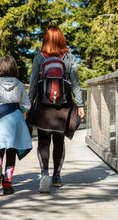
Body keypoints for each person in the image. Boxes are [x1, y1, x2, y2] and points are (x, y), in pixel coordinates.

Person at [27, 25, 85, 193]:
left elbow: (32, 84)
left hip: (44, 107)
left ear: (45, 39)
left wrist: (29, 105)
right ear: (61, 39)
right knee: (59, 140)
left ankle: (44, 173)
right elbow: (76, 84)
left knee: (44, 140)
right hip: (63, 106)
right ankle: (57, 177)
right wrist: (80, 105)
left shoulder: (39, 57)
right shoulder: (69, 57)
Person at [0, 55, 32, 195]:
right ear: (14, 68)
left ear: (0, 68)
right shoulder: (20, 84)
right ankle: (7, 184)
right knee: (12, 150)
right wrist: (20, 111)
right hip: (15, 118)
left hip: (0, 116)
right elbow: (27, 104)